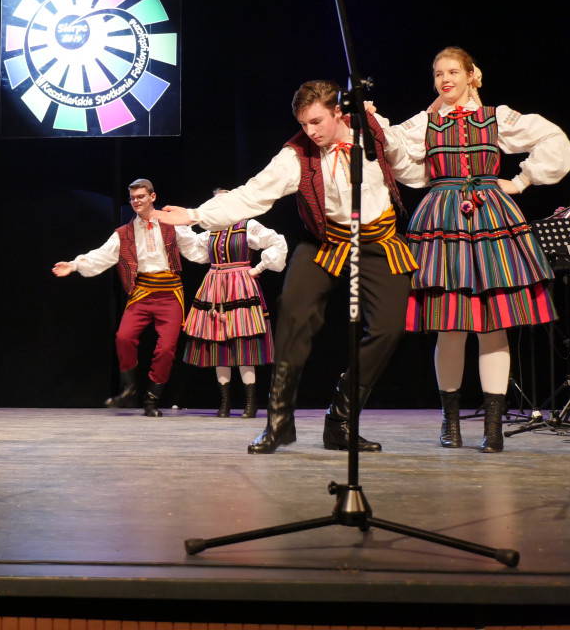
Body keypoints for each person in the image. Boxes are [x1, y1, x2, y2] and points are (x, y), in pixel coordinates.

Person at [154, 80, 421, 453]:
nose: (310, 132)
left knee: (389, 328)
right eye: (304, 124)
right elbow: (253, 194)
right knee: (293, 310)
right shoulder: (296, 155)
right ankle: (278, 422)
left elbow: (411, 171)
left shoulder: (373, 131)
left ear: (338, 112)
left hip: (379, 240)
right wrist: (196, 214)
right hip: (325, 241)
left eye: (316, 122)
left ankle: (341, 420)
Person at [386, 47, 570, 453]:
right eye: (438, 74)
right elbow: (394, 149)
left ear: (473, 75)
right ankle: (449, 424)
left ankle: (493, 427)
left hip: (490, 216)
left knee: (494, 324)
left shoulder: (497, 117)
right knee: (450, 324)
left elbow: (554, 139)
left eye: (453, 71)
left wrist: (521, 182)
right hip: (442, 219)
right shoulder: (426, 121)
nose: (445, 79)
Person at [53, 179, 209, 417]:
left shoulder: (172, 225)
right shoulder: (124, 233)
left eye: (141, 196)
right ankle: (130, 389)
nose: (136, 201)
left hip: (170, 294)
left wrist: (220, 241)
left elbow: (195, 248)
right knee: (123, 337)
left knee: (166, 350)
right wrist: (74, 265)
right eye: (133, 197)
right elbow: (102, 255)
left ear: (153, 197)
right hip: (142, 292)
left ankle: (152, 398)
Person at [181, 200, 287, 418]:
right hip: (214, 286)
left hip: (240, 285)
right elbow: (192, 248)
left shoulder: (247, 226)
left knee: (243, 342)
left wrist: (258, 268)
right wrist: (177, 222)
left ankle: (250, 402)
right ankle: (225, 402)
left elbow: (277, 242)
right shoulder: (210, 231)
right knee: (218, 342)